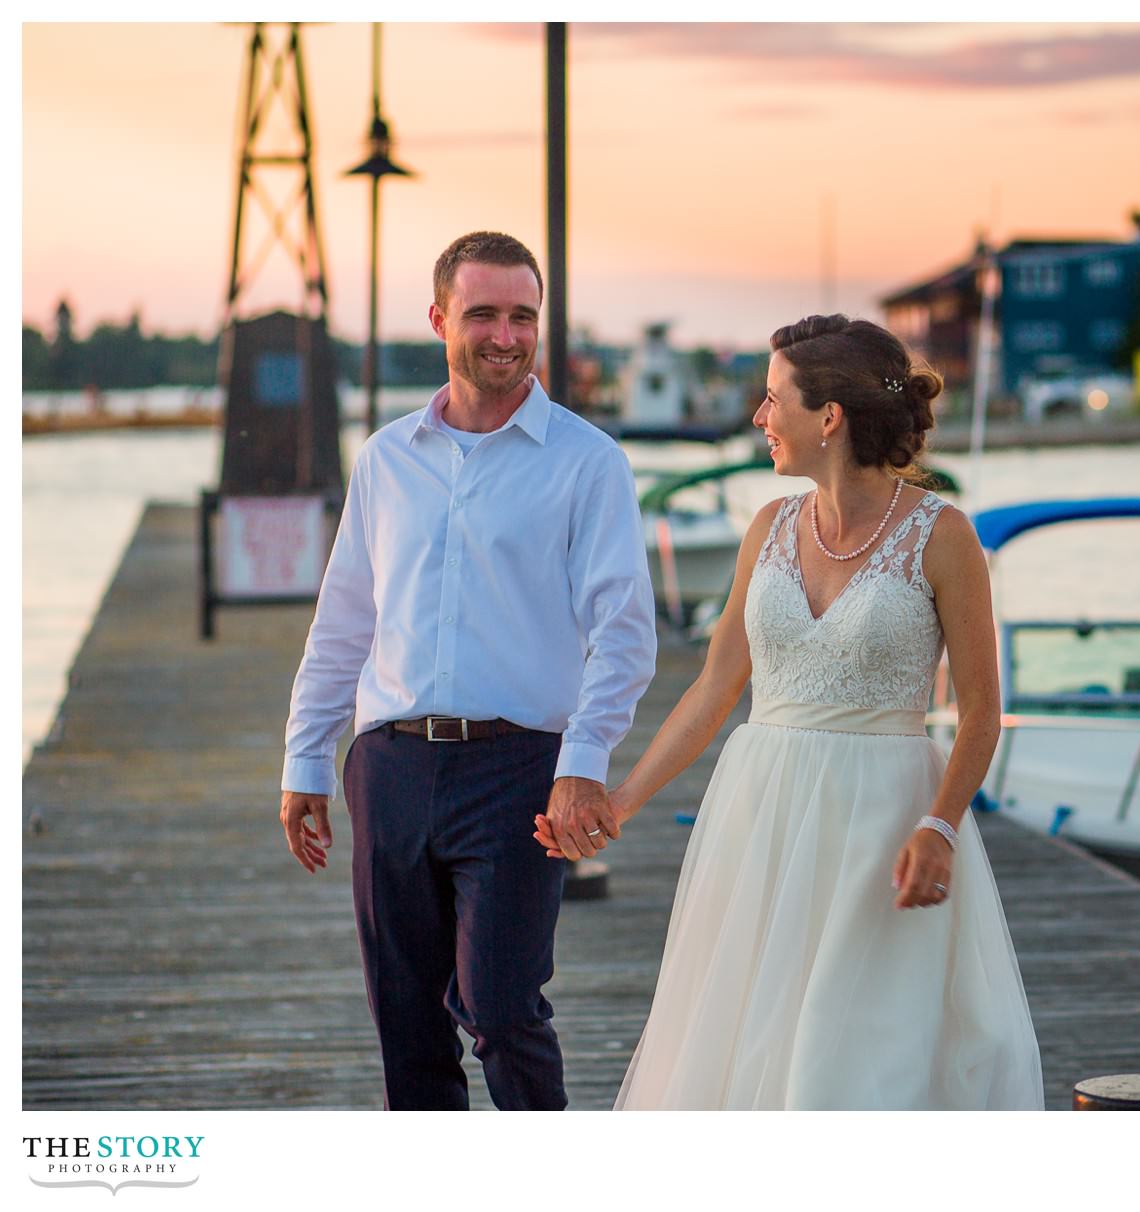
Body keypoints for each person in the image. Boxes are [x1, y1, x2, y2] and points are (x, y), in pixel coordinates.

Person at [536, 315, 1044, 1109]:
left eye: (773, 401)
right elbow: (714, 688)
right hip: (760, 815)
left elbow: (981, 712)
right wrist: (624, 799)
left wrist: (941, 827)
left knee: (855, 1057)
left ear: (828, 418)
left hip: (882, 826)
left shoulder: (943, 536)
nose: (758, 418)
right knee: (747, 1039)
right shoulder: (768, 529)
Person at [279, 231, 657, 1110]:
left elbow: (626, 635)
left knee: (500, 1006)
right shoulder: (386, 460)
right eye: (483, 313)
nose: (506, 334)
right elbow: (342, 626)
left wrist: (583, 765)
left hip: (521, 770)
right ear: (439, 318)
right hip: (392, 765)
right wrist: (306, 761)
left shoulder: (587, 462)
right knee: (405, 1021)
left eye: (523, 315)